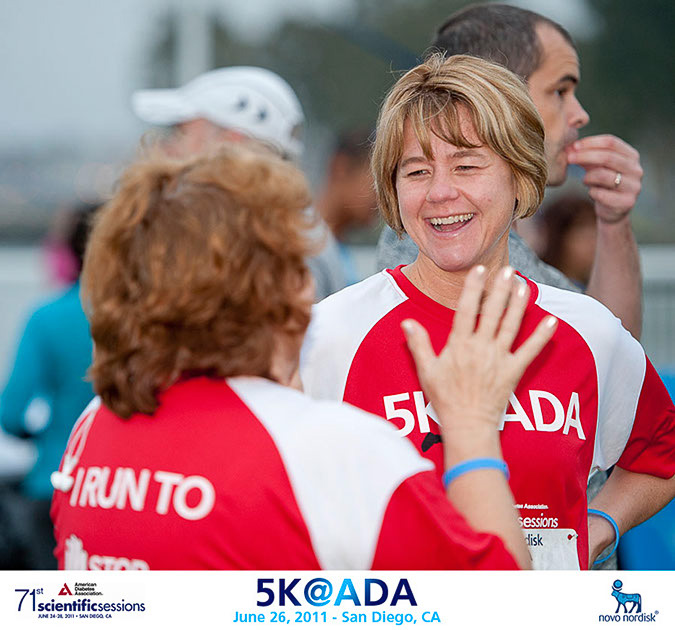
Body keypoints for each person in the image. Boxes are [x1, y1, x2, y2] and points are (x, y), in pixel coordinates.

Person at [49, 143, 559, 570]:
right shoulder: (332, 449)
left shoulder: (94, 426)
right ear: (287, 287)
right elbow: (499, 603)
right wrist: (470, 427)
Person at [300, 54, 675, 570]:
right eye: (417, 171)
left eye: (466, 166)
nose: (440, 192)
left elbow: (660, 455)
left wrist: (595, 532)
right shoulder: (329, 334)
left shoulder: (589, 332)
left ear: (521, 175)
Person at [376, 3, 643, 340]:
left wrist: (614, 219)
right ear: (500, 96)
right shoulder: (438, 244)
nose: (579, 114)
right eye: (559, 91)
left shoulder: (504, 245)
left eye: (465, 166)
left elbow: (608, 350)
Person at [131, 66, 346, 300]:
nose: (168, 149)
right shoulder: (283, 230)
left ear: (229, 146)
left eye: (181, 134)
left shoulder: (281, 246)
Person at [0, 203, 96, 568]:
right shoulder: (145, 316)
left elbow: (10, 412)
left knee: (56, 595)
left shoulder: (47, 317)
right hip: (126, 487)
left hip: (56, 480)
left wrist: (41, 435)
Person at [314, 129, 378, 284]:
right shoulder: (301, 249)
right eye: (377, 182)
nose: (384, 197)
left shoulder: (340, 254)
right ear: (341, 168)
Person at [538, 194, 598, 288]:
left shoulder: (595, 288)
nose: (593, 244)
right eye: (584, 235)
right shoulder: (541, 284)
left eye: (596, 235)